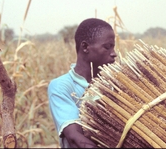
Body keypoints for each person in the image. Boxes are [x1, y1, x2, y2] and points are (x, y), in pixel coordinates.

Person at [48, 18, 117, 148]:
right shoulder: (62, 86)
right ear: (85, 47)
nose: (114, 54)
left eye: (113, 47)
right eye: (108, 47)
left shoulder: (113, 84)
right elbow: (75, 139)